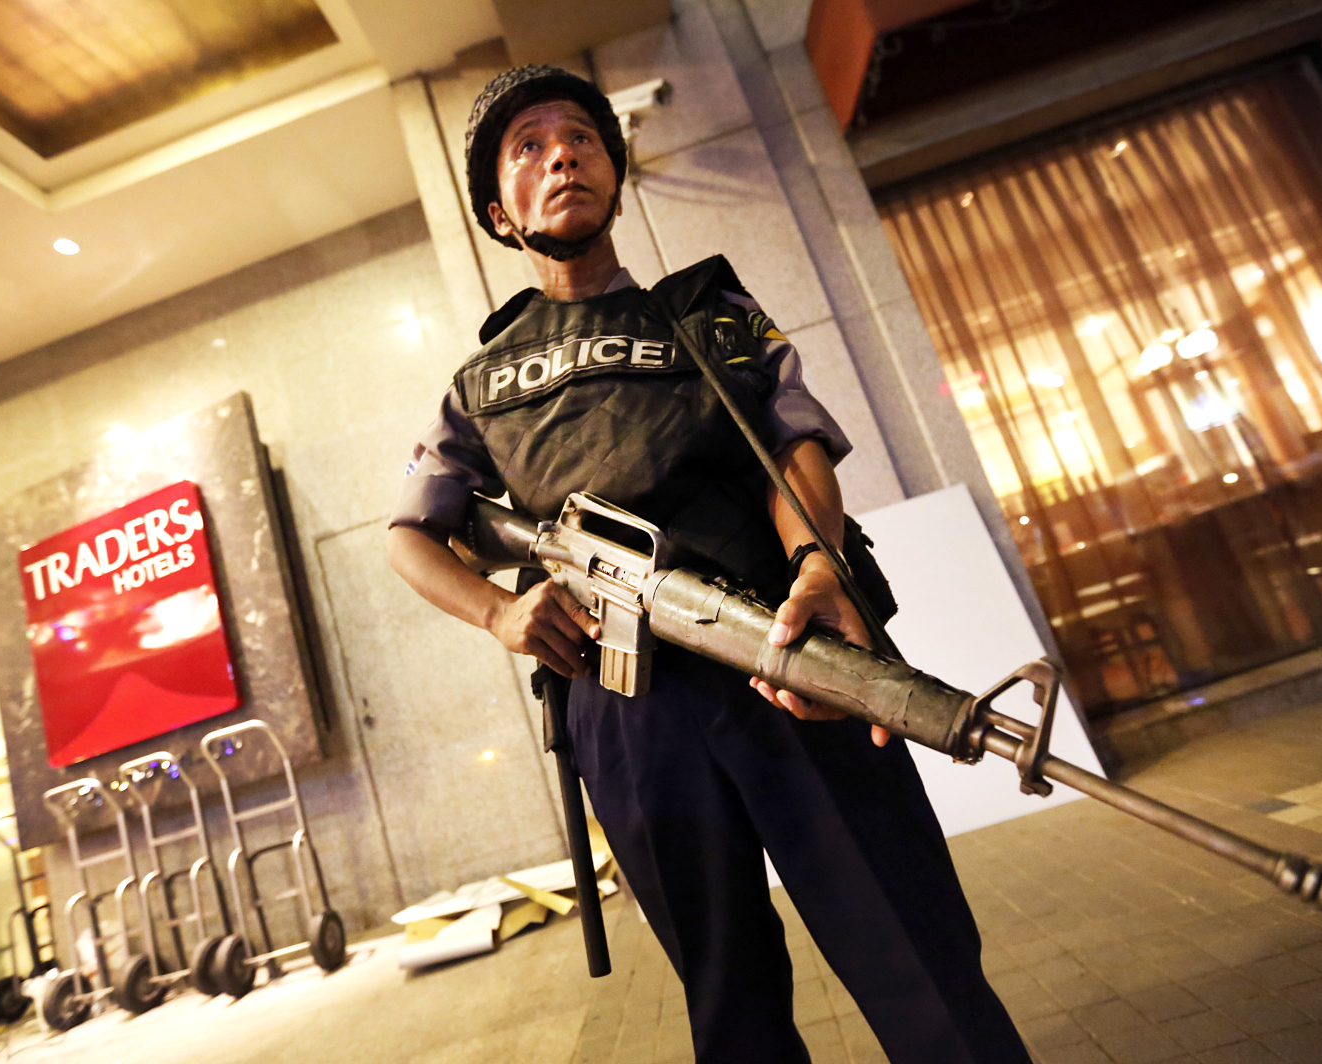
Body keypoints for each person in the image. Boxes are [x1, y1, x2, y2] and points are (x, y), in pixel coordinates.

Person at [387, 65, 1031, 1064]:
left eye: (583, 138)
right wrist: (500, 615)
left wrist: (817, 565)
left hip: (784, 647)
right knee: (729, 1001)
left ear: (617, 167)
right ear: (495, 208)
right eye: (529, 147)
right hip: (624, 701)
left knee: (921, 959)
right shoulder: (480, 383)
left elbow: (792, 447)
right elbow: (411, 535)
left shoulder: (708, 309)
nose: (562, 153)